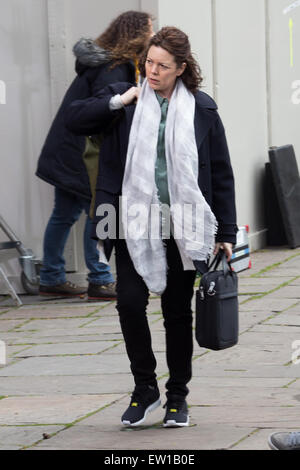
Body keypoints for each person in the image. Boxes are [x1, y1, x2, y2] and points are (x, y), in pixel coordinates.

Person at [66, 27, 238, 426]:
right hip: (131, 221)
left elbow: (221, 173)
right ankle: (145, 387)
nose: (152, 71)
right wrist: (120, 98)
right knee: (128, 303)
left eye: (162, 65)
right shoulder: (126, 104)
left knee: (177, 311)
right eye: (148, 63)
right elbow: (73, 121)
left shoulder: (203, 110)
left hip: (182, 226)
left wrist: (226, 233)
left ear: (181, 68)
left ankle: (178, 394)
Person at [36, 11, 154, 300]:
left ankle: (51, 277)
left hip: (66, 150)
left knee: (64, 215)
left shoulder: (106, 62)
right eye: (150, 31)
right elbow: (103, 112)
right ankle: (100, 279)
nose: (153, 36)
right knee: (98, 211)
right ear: (136, 34)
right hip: (83, 154)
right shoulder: (113, 68)